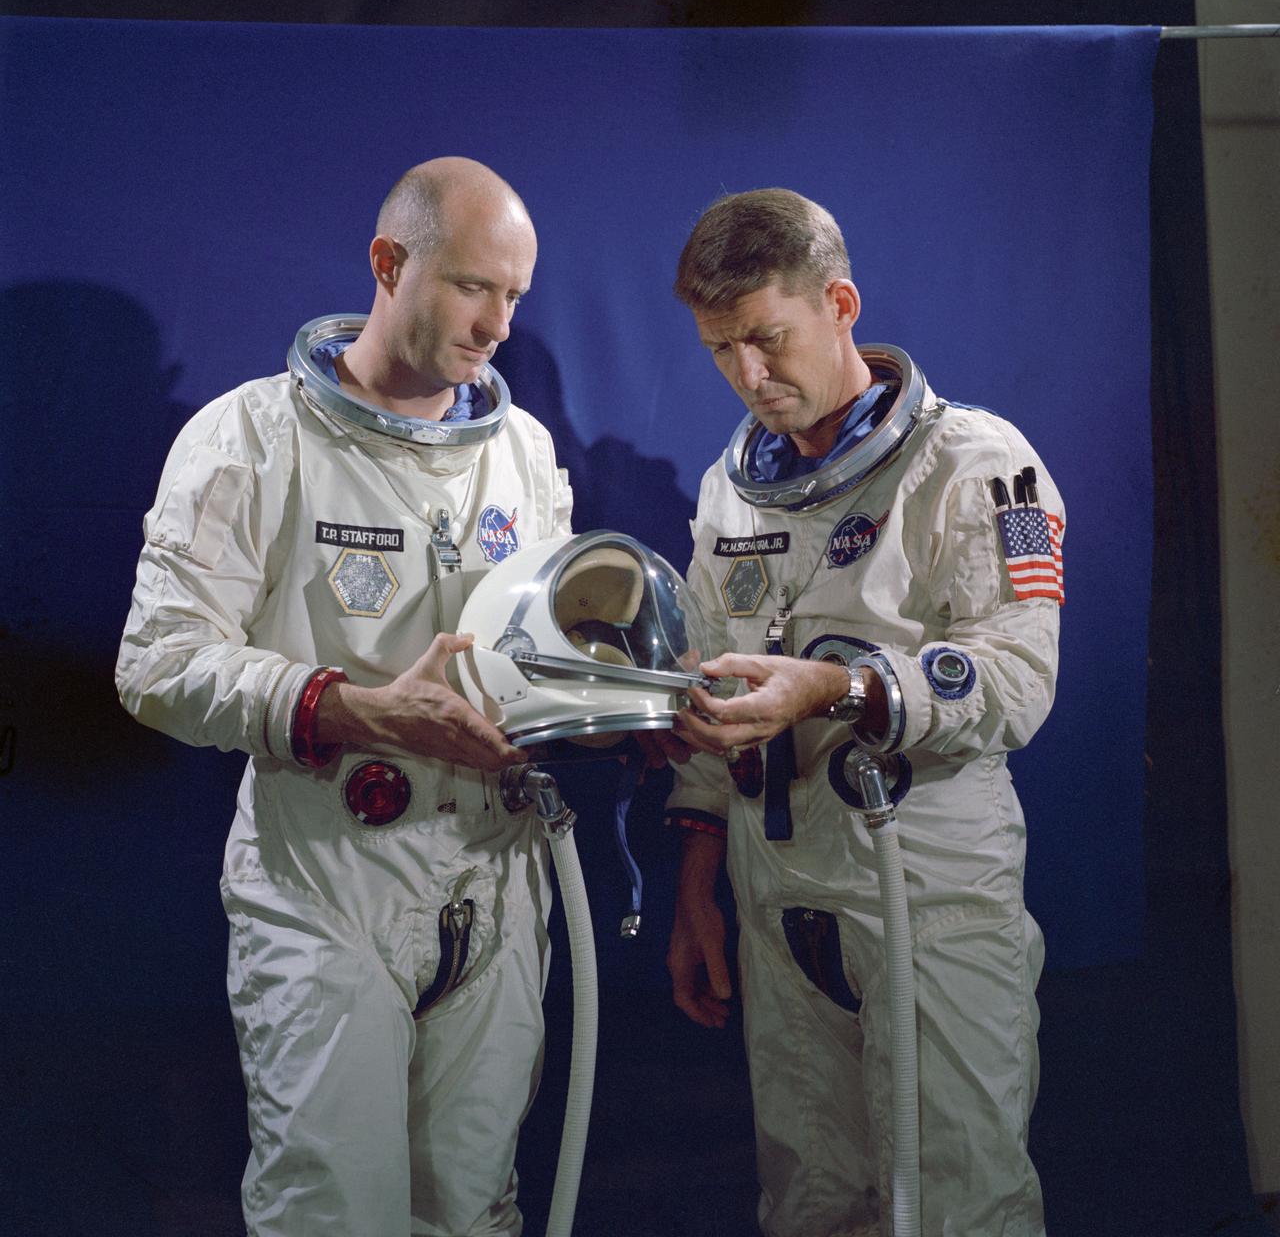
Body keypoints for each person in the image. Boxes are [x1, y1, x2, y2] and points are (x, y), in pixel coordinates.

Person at [116, 157, 574, 1236]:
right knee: (334, 1209)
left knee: (471, 1206)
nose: (498, 324)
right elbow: (157, 661)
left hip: (498, 876)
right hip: (329, 879)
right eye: (473, 286)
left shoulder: (522, 451)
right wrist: (355, 708)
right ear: (387, 263)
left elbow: (538, 648)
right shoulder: (255, 437)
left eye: (515, 296)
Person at [658, 188, 1063, 1237]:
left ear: (837, 302)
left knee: (952, 1203)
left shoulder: (976, 464)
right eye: (718, 350)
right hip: (777, 896)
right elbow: (712, 688)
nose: (747, 375)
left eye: (764, 338)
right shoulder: (728, 491)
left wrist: (842, 686)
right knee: (810, 1203)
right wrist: (696, 878)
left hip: (925, 900)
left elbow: (1017, 675)